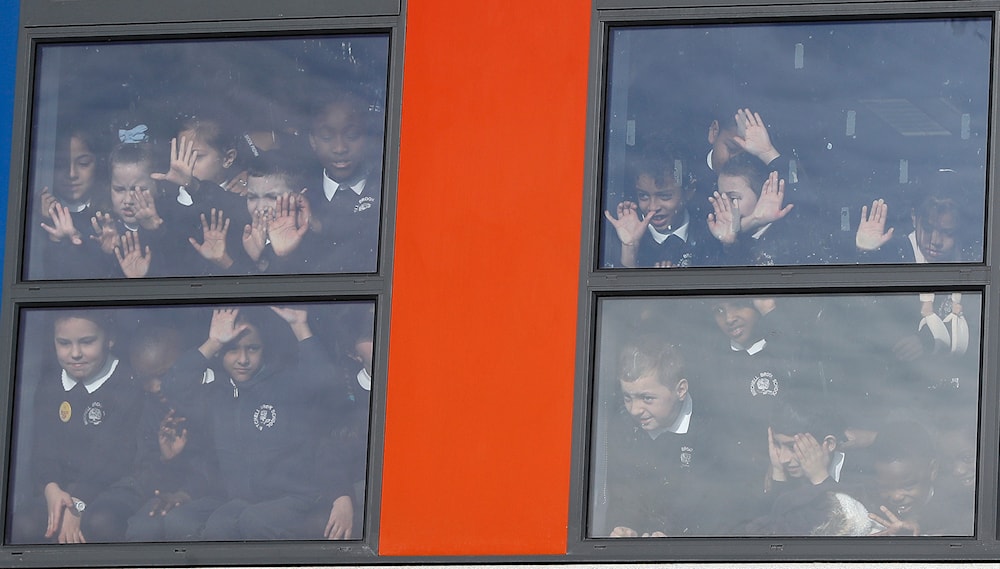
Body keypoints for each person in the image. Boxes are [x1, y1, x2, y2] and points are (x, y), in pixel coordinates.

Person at [160, 306, 356, 540]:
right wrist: (213, 342)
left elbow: (324, 383)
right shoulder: (216, 394)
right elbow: (173, 386)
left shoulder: (285, 385)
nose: (242, 359)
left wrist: (299, 326)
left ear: (265, 349)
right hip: (244, 500)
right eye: (232, 349)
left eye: (252, 349)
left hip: (294, 497)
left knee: (251, 521)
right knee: (191, 523)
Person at [10, 311, 144, 543]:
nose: (75, 353)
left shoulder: (127, 383)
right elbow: (43, 445)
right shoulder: (50, 382)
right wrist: (51, 488)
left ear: (109, 339)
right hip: (61, 490)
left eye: (87, 342)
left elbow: (114, 456)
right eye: (64, 343)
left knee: (100, 524)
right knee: (23, 524)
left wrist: (78, 502)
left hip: (114, 486)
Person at [604, 335, 716, 536]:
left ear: (680, 390)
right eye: (627, 398)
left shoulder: (711, 433)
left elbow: (712, 505)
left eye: (647, 398)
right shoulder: (623, 426)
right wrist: (625, 526)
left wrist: (670, 535)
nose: (634, 410)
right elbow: (622, 491)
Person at [603, 135, 719, 267]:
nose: (653, 207)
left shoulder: (708, 233)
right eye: (643, 196)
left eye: (664, 196)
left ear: (689, 191)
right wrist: (630, 247)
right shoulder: (619, 239)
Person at [306, 87, 382, 273]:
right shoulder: (301, 195)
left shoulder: (386, 190)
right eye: (326, 137)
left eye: (351, 135)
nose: (340, 148)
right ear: (313, 141)